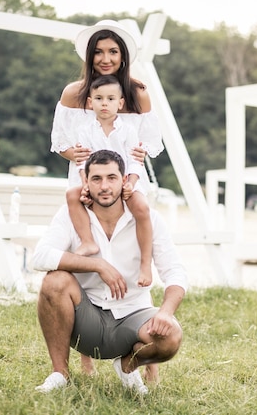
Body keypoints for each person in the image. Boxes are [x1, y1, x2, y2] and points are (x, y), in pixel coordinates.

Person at [50, 19, 165, 379]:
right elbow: (59, 141)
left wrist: (137, 166)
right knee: (88, 256)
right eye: (98, 51)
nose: (105, 58)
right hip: (87, 178)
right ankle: (84, 354)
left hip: (127, 179)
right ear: (89, 54)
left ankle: (142, 355)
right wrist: (76, 158)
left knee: (128, 254)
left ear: (124, 55)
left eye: (113, 51)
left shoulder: (137, 94)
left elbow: (152, 143)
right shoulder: (75, 93)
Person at [32, 150, 187, 394]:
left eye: (112, 178)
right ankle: (60, 373)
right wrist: (98, 265)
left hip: (133, 316)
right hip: (85, 318)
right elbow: (40, 256)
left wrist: (166, 313)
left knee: (172, 336)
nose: (104, 186)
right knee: (54, 280)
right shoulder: (70, 215)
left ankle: (127, 366)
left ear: (124, 180)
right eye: (97, 179)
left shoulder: (149, 219)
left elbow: (175, 272)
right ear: (86, 182)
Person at [67, 74, 154, 288]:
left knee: (142, 207)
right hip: (96, 182)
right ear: (90, 102)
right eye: (98, 99)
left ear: (120, 103)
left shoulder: (128, 130)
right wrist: (86, 183)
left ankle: (145, 263)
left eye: (110, 99)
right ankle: (88, 241)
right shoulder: (84, 130)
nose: (104, 103)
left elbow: (135, 162)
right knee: (72, 195)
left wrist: (130, 184)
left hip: (125, 181)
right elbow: (82, 161)